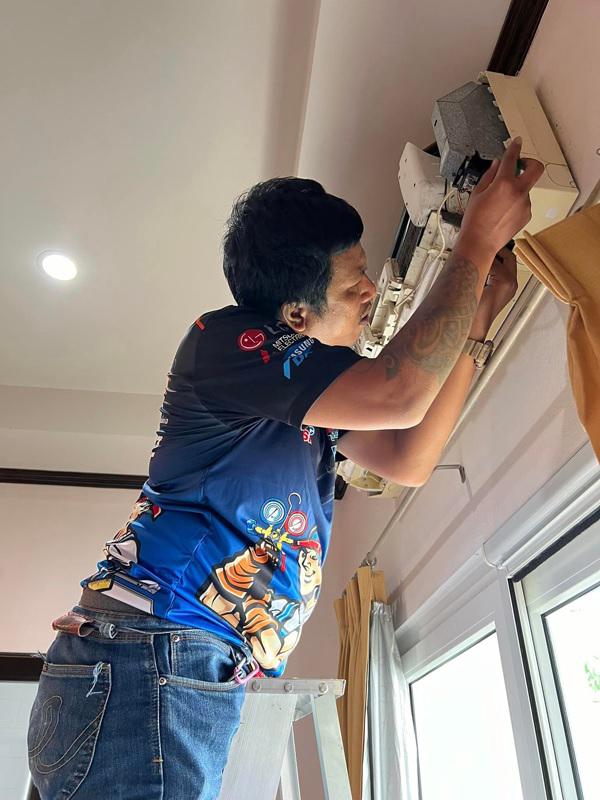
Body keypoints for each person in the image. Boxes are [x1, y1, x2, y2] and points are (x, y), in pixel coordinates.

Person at [27, 139, 543, 799]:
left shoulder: (309, 407)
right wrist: (474, 244)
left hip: (169, 658)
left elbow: (407, 456)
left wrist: (480, 316)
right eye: (354, 283)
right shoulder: (222, 342)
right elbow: (399, 393)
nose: (370, 293)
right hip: (154, 648)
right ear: (297, 316)